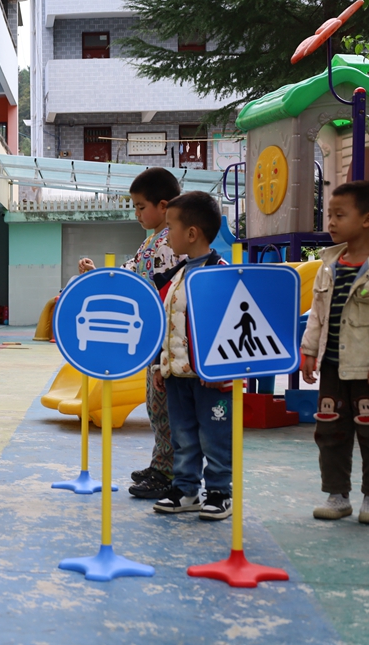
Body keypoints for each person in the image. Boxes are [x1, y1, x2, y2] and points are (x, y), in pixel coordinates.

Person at [80, 167, 180, 499]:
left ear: (163, 205)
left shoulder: (172, 242)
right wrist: (100, 275)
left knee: (165, 405)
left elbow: (152, 285)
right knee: (155, 404)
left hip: (168, 338)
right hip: (155, 339)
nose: (135, 213)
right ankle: (162, 461)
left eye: (140, 206)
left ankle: (170, 471)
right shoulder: (153, 240)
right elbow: (131, 272)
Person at [152, 191, 233, 521]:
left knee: (214, 435)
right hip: (177, 376)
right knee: (182, 435)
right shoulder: (178, 274)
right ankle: (186, 489)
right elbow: (168, 324)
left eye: (170, 227)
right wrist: (161, 364)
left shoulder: (221, 273)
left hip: (210, 378)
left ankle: (218, 491)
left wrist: (222, 370)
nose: (166, 234)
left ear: (192, 233)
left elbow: (229, 324)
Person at [301, 180, 369, 525]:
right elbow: (317, 314)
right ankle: (337, 495)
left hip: (367, 368)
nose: (330, 222)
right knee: (330, 430)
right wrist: (309, 351)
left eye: (339, 215)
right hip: (332, 364)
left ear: (367, 220)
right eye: (328, 215)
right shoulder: (328, 264)